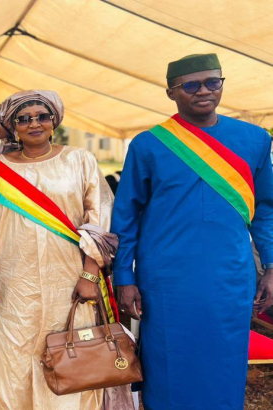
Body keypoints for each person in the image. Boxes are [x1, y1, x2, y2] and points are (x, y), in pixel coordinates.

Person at [111, 54, 273, 410]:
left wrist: (272, 265)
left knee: (225, 364)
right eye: (191, 85)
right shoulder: (148, 144)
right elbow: (126, 217)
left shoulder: (255, 139)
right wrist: (124, 277)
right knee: (169, 364)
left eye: (212, 82)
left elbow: (266, 209)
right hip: (166, 280)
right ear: (171, 92)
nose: (204, 91)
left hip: (230, 276)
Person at [0, 90, 122, 409]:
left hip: (69, 281)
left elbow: (100, 220)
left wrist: (90, 276)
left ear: (54, 121)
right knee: (14, 357)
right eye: (24, 119)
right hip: (12, 285)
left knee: (69, 352)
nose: (34, 123)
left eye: (42, 116)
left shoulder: (79, 160)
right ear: (12, 126)